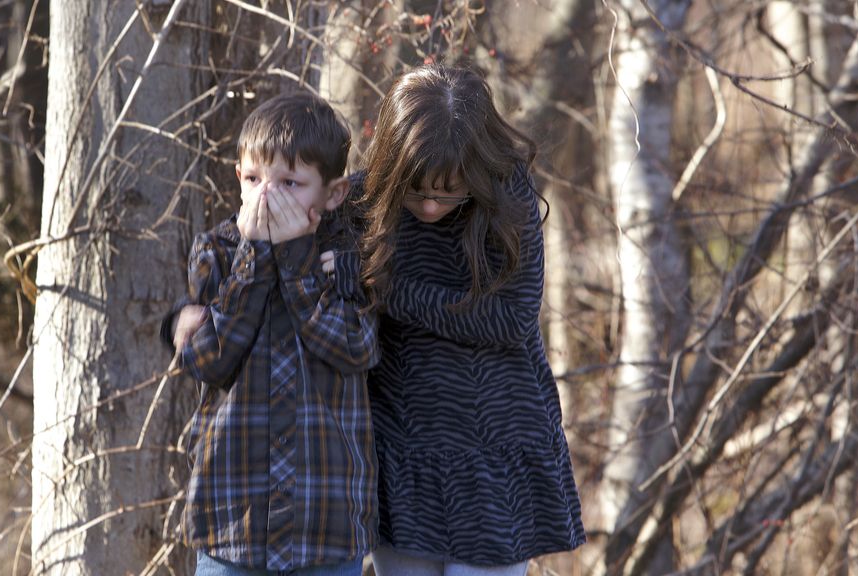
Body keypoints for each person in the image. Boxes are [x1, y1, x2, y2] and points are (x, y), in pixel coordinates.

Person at [329, 65, 586, 575]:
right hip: (401, 450)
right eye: (415, 190)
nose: (428, 205)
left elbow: (510, 318)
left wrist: (388, 290)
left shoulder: (507, 198)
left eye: (447, 191)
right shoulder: (360, 202)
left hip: (495, 448)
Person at [159, 92, 380, 576]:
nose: (267, 196)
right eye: (255, 180)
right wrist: (255, 260)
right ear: (239, 178)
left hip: (324, 523)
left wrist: (300, 264)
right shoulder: (216, 252)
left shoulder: (347, 258)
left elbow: (357, 347)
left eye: (290, 183)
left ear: (334, 193)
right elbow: (207, 360)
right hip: (231, 522)